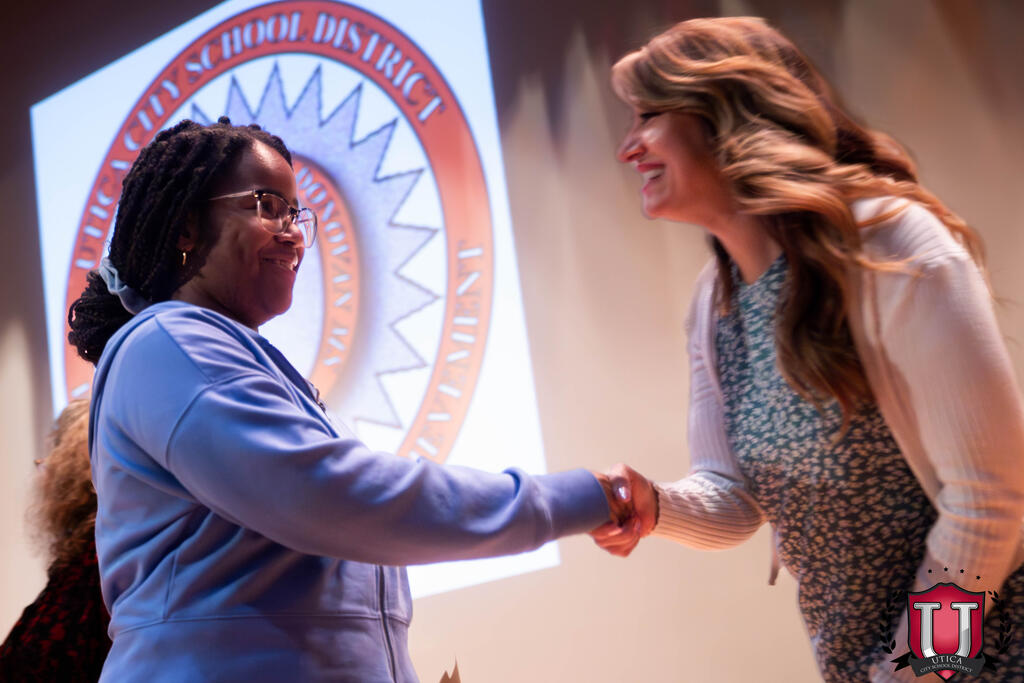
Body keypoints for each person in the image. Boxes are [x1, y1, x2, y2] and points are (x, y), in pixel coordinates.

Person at [67, 117, 626, 682]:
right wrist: (575, 499)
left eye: (295, 214)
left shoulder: (240, 365)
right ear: (187, 227)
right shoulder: (165, 344)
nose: (292, 233)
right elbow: (333, 496)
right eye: (267, 206)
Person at [590, 16, 1024, 682]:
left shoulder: (895, 249)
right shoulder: (715, 301)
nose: (627, 148)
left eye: (648, 116)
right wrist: (658, 506)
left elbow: (990, 503)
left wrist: (917, 670)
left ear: (727, 114)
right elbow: (737, 495)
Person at [0, 398, 111, 681]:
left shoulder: (95, 562)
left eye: (46, 464)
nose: (43, 475)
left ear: (66, 472)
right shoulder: (84, 559)